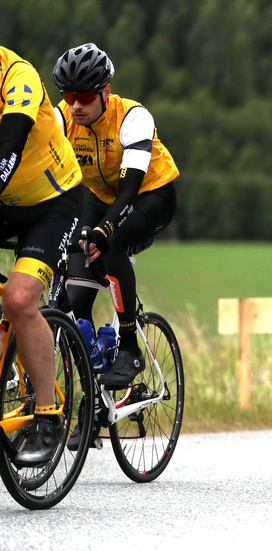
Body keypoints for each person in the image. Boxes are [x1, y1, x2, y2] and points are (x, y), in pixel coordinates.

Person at [51, 43, 179, 401]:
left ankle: (128, 347)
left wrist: (104, 231)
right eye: (69, 95)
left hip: (150, 195)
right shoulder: (62, 118)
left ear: (105, 92)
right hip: (102, 197)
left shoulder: (133, 117)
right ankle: (92, 400)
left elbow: (129, 189)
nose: (76, 104)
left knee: (112, 243)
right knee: (76, 293)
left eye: (85, 96)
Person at [0, 46, 85, 466]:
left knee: (18, 300)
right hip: (5, 204)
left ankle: (47, 415)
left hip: (52, 203)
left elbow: (9, 148)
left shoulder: (18, 76)